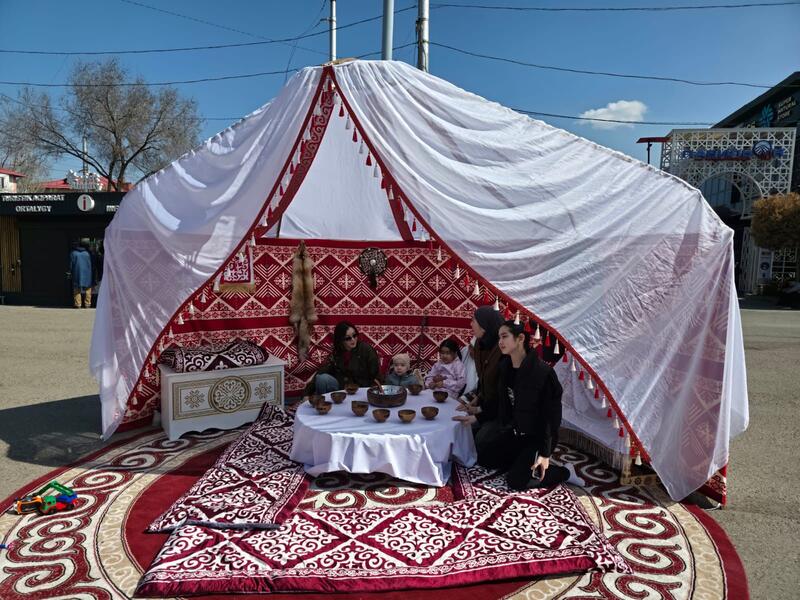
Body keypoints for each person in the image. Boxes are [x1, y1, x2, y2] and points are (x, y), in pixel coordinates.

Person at [455, 320, 582, 490]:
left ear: (520, 338)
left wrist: (545, 453)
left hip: (536, 438)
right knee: (485, 458)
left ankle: (565, 472)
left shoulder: (542, 373)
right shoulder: (505, 367)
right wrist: (477, 417)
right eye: (499, 337)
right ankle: (522, 462)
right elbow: (500, 403)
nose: (500, 342)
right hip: (513, 432)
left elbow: (550, 417)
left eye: (504, 336)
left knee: (516, 481)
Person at [459, 306, 504, 426]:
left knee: (480, 435)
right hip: (486, 407)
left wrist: (479, 415)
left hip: (502, 414)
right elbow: (483, 380)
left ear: (484, 325)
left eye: (473, 320)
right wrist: (476, 399)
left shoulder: (502, 350)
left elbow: (501, 394)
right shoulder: (480, 344)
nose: (471, 324)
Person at [308, 321, 380, 394]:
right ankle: (322, 400)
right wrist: (307, 393)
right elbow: (322, 371)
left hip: (361, 389)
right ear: (341, 340)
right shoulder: (336, 352)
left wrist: (374, 392)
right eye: (348, 338)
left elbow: (375, 374)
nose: (353, 339)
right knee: (322, 378)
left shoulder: (366, 349)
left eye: (354, 335)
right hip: (342, 389)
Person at [68, 240, 94, 308]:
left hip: (77, 272)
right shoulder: (88, 253)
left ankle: (78, 304)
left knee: (76, 288)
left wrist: (69, 272)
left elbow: (70, 265)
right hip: (87, 273)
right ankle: (87, 304)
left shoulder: (73, 253)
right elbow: (92, 264)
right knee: (88, 288)